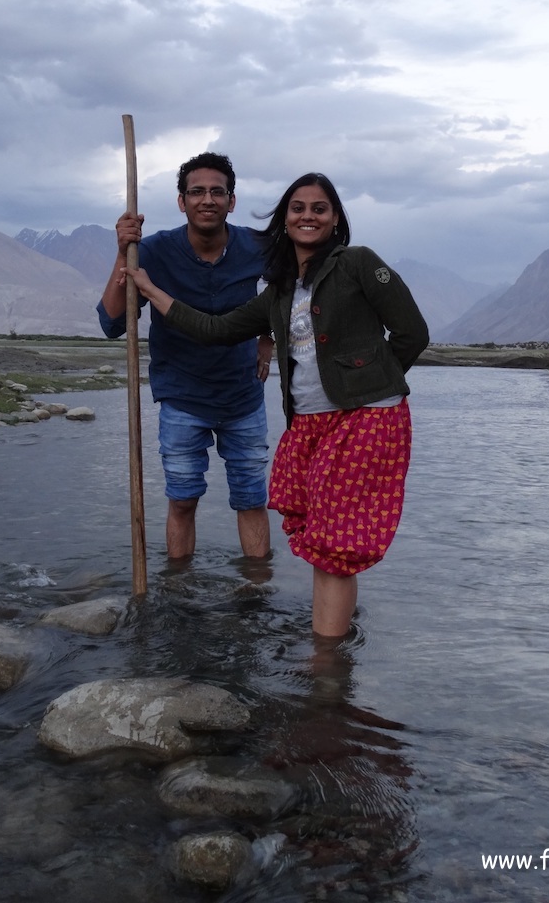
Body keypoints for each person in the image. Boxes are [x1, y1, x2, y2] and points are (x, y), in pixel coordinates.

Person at [123, 172, 430, 638]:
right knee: (323, 534)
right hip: (308, 423)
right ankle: (329, 650)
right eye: (298, 208)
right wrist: (149, 289)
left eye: (320, 208)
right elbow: (214, 328)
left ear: (335, 219)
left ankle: (326, 664)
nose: (308, 216)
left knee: (336, 542)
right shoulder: (281, 293)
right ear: (284, 221)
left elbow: (412, 334)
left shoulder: (359, 264)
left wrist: (370, 390)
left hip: (364, 420)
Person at [97, 152, 274, 562]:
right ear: (182, 201)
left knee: (251, 499)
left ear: (232, 201)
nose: (207, 200)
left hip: (242, 396)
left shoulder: (256, 246)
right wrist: (124, 251)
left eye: (217, 192)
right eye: (196, 192)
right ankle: (178, 595)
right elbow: (111, 323)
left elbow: (284, 289)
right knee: (182, 500)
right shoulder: (154, 252)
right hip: (182, 397)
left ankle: (255, 598)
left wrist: (267, 338)